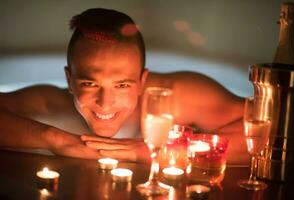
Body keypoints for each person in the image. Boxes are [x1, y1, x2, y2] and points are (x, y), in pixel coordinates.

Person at [0, 8, 249, 164]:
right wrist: (54, 139)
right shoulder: (50, 104)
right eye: (90, 83)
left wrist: (163, 151)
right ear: (69, 81)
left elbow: (268, 131)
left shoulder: (176, 95)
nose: (105, 102)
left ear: (142, 81)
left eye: (121, 85)